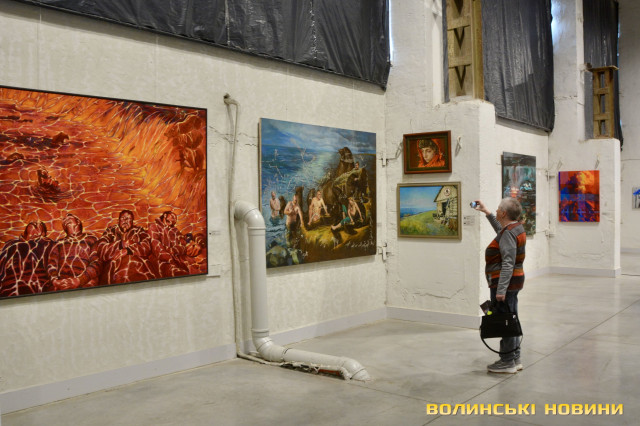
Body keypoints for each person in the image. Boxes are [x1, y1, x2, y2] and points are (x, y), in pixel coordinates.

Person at [474, 198, 526, 374]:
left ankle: (507, 361)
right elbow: (501, 231)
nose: (496, 211)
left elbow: (508, 263)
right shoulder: (515, 228)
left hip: (505, 284)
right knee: (511, 318)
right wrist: (487, 213)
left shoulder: (509, 233)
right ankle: (515, 357)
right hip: (514, 281)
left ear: (503, 213)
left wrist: (501, 290)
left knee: (506, 321)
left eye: (497, 209)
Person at [94, 210, 155, 285]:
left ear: (132, 222)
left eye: (129, 219)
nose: (125, 220)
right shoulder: (111, 231)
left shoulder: (139, 230)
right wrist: (121, 244)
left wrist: (128, 250)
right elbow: (101, 249)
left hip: (137, 266)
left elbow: (147, 246)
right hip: (115, 267)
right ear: (118, 220)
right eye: (123, 218)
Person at [0, 221, 53, 297]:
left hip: (39, 287)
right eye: (33, 225)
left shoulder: (48, 244)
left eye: (39, 227)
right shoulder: (12, 245)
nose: (36, 224)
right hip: (12, 287)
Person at [47, 214, 99, 290]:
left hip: (86, 285)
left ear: (78, 222)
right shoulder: (58, 243)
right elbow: (51, 264)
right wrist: (55, 281)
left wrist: (79, 280)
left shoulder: (92, 240)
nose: (65, 220)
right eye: (64, 220)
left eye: (69, 218)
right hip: (62, 285)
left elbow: (96, 263)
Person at [148, 210, 200, 277]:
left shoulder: (174, 230)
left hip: (176, 257)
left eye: (173, 222)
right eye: (169, 220)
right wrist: (173, 257)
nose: (170, 224)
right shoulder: (154, 227)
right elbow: (158, 249)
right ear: (165, 215)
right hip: (161, 259)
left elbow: (183, 242)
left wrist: (192, 246)